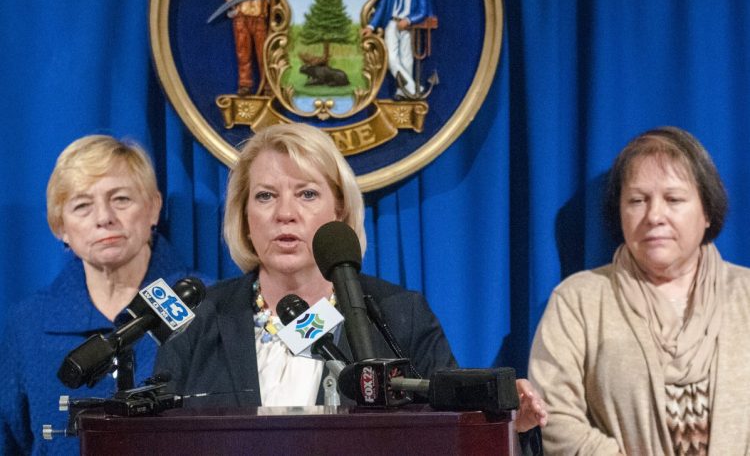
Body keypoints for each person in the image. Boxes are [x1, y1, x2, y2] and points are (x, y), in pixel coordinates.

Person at [156, 122, 546, 438]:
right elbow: (154, 438)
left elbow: (455, 432)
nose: (285, 213)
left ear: (339, 211)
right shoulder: (199, 317)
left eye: (307, 194)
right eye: (265, 196)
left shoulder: (400, 314)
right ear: (243, 216)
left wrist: (511, 425)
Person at [529, 126, 750, 454]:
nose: (654, 216)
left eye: (673, 199)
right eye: (637, 200)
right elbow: (553, 416)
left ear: (707, 211)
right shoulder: (577, 300)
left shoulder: (745, 294)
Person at [0, 135, 199, 455]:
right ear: (59, 227)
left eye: (121, 199)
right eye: (82, 206)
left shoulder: (205, 304)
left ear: (153, 208)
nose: (104, 217)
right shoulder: (28, 323)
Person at [363, 0, 433, 99]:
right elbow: (382, 8)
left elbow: (423, 9)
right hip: (392, 24)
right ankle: (413, 88)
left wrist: (408, 19)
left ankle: (402, 91)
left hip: (409, 26)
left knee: (407, 58)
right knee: (390, 58)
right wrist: (371, 26)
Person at [215, 0, 276, 96]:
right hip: (241, 20)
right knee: (243, 53)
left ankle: (268, 85)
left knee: (264, 53)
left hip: (260, 20)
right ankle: (245, 85)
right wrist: (231, 2)